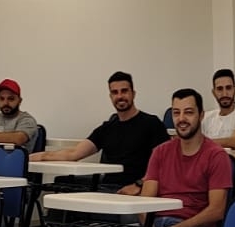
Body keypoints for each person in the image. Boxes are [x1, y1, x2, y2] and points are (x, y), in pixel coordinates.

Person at [31, 70, 169, 193]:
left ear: (133, 94)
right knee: (61, 184)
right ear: (110, 97)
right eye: (115, 92)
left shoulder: (151, 123)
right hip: (107, 187)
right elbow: (74, 153)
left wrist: (139, 184)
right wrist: (30, 157)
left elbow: (165, 164)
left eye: (124, 91)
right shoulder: (107, 128)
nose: (120, 96)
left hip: (135, 189)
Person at [140, 88, 231, 227]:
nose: (181, 119)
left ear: (201, 115)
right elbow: (144, 202)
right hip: (156, 224)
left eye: (188, 112)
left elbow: (217, 210)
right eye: (176, 113)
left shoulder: (216, 155)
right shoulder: (160, 152)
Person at [201, 68, 235, 149]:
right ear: (214, 92)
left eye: (228, 88)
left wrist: (200, 143)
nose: (224, 94)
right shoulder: (206, 117)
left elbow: (234, 142)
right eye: (219, 89)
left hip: (234, 157)